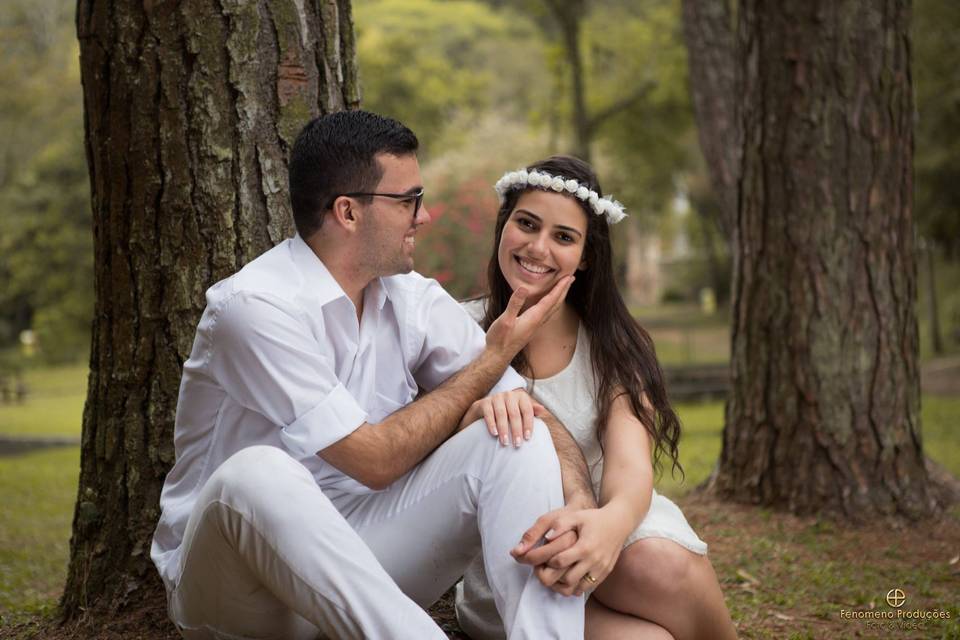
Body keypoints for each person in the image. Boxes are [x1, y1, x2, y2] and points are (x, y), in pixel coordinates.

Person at [149, 111, 594, 640]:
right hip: (240, 592)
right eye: (409, 200)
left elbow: (529, 411)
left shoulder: (410, 298)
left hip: (364, 559)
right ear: (348, 212)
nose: (423, 217)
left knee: (517, 433)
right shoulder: (253, 307)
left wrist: (582, 508)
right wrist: (489, 364)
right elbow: (374, 460)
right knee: (257, 474)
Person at [455, 156, 738, 640]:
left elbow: (630, 466)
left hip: (616, 530)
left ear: (585, 255)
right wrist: (475, 411)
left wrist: (608, 527)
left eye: (564, 237)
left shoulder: (611, 343)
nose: (538, 247)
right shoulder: (454, 328)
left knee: (657, 562)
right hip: (521, 559)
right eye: (526, 224)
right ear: (504, 227)